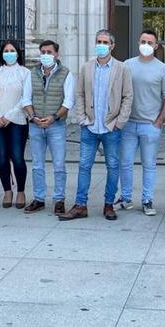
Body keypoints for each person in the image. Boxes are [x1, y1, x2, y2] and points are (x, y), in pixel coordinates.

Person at [60, 30, 133, 221]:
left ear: (112, 45)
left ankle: (109, 204)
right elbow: (79, 94)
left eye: (105, 42)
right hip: (90, 126)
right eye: (98, 41)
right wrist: (82, 118)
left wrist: (120, 122)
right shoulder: (87, 67)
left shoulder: (122, 68)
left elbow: (128, 96)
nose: (101, 45)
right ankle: (80, 205)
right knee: (84, 166)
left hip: (111, 127)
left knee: (113, 166)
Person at [117, 30, 165, 216]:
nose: (146, 45)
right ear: (138, 42)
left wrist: (159, 121)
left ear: (156, 46)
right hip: (128, 124)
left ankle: (147, 200)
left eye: (150, 42)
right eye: (143, 41)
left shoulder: (163, 69)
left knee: (149, 165)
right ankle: (125, 198)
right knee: (125, 163)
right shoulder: (127, 65)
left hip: (150, 125)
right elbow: (118, 91)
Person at [23, 40, 74, 216]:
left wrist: (53, 117)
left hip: (56, 125)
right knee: (37, 164)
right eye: (43, 52)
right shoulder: (32, 74)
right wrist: (33, 117)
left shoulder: (66, 74)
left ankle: (59, 199)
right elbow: (26, 99)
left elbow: (69, 101)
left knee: (59, 164)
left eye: (49, 52)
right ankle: (39, 199)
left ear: (56, 54)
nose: (45, 55)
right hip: (36, 125)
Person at [0, 41, 32, 209]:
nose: (9, 53)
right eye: (6, 51)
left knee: (17, 157)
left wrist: (9, 116)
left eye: (12, 50)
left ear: (18, 53)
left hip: (17, 121)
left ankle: (20, 191)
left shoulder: (25, 73)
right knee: (2, 157)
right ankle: (7, 190)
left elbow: (25, 99)